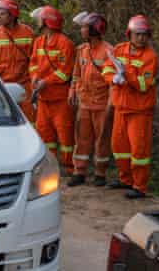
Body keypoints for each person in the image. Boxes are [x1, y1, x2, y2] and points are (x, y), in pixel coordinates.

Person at [102, 14, 158, 199]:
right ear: (130, 34)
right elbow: (107, 69)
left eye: (144, 34)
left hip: (139, 111)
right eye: (138, 34)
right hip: (121, 107)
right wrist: (114, 78)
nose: (141, 38)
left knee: (138, 151)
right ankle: (125, 179)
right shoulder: (118, 49)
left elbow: (144, 85)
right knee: (119, 148)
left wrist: (127, 75)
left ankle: (139, 186)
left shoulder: (150, 56)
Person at [68, 12, 113, 187]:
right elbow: (76, 74)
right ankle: (79, 171)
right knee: (81, 138)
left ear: (94, 29)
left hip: (102, 103)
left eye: (85, 27)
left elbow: (113, 78)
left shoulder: (108, 51)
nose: (82, 30)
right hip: (84, 102)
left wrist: (111, 102)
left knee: (102, 139)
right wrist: (72, 91)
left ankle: (100, 173)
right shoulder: (82, 50)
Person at [29, 6, 76, 173]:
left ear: (47, 22)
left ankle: (68, 167)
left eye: (40, 20)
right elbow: (33, 63)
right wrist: (34, 76)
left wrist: (46, 82)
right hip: (43, 98)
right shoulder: (39, 41)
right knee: (44, 133)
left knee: (65, 134)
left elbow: (65, 73)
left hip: (60, 99)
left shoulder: (65, 44)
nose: (38, 23)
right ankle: (50, 165)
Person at [0, 0, 36, 122]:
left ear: (12, 15)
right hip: (4, 85)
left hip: (25, 84)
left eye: (2, 14)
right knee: (4, 119)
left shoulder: (27, 32)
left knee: (29, 119)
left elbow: (34, 60)